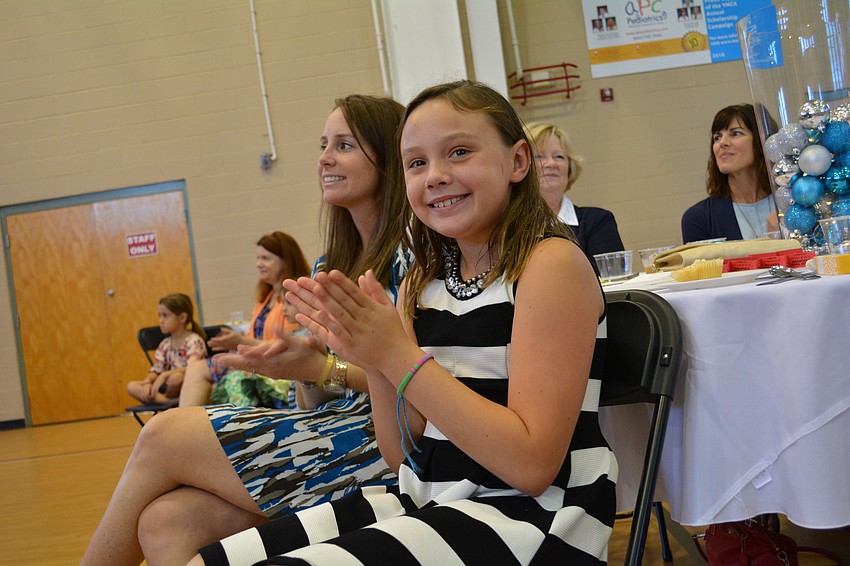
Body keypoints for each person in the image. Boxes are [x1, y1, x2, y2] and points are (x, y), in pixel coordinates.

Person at [195, 80, 616, 565]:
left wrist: (399, 356)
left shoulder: (550, 265)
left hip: (534, 521)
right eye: (416, 163)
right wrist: (374, 359)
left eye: (458, 152)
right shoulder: (424, 279)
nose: (434, 176)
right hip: (432, 499)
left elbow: (532, 465)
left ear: (518, 162)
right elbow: (403, 457)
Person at [80, 93, 408, 566]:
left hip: (387, 446)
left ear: (388, 159)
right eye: (322, 144)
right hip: (333, 423)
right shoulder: (327, 264)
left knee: (164, 434)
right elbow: (320, 387)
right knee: (164, 521)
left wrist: (322, 367)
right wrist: (302, 368)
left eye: (345, 145)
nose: (325, 158)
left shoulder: (412, 260)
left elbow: (407, 380)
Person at [178, 230, 310, 408]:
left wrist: (240, 342)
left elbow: (288, 344)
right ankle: (186, 427)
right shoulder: (265, 297)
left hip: (273, 361)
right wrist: (235, 343)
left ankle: (186, 427)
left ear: (285, 261)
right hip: (256, 357)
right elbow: (251, 336)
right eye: (258, 258)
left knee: (199, 372)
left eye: (266, 258)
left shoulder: (294, 299)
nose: (258, 264)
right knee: (195, 370)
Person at [681, 103, 777, 243]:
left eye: (735, 133)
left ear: (761, 139)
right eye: (717, 137)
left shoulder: (793, 203)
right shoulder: (698, 218)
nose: (722, 143)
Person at [526, 121, 625, 257]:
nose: (551, 163)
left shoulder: (598, 222)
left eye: (559, 156)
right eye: (539, 156)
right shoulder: (506, 227)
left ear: (569, 168)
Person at [126, 293, 207, 404]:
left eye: (165, 316)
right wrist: (147, 383)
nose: (161, 321)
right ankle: (169, 401)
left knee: (176, 378)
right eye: (159, 316)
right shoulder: (165, 344)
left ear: (182, 317)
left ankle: (166, 401)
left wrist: (166, 374)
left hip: (186, 384)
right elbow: (157, 369)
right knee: (131, 386)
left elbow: (193, 367)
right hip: (167, 388)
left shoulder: (194, 341)